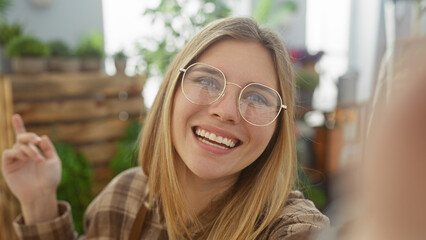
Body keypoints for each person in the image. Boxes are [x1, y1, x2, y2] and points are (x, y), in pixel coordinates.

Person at [2, 17, 329, 240]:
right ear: (171, 90)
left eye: (257, 97)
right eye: (207, 80)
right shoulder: (126, 197)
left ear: (278, 126)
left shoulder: (289, 229)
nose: (226, 111)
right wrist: (39, 200)